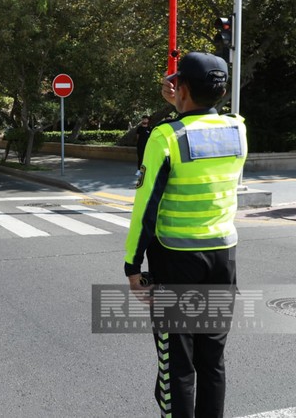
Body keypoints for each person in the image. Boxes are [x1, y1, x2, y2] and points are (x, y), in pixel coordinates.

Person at [123, 52, 247, 418]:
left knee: (177, 364)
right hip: (223, 257)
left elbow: (145, 209)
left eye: (178, 84)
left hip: (175, 260)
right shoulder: (238, 129)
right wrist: (182, 104)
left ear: (184, 88)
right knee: (212, 361)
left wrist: (132, 264)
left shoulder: (166, 136)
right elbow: (201, 127)